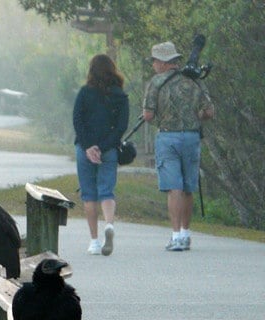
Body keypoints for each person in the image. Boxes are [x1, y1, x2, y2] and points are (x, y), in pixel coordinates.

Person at [143, 41, 215, 251]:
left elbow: (148, 115)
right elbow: (209, 112)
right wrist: (194, 116)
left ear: (164, 62)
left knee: (173, 187)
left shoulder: (156, 83)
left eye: (155, 60)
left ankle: (175, 236)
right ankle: (185, 233)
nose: (154, 65)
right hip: (191, 138)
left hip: (168, 138)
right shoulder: (195, 81)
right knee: (188, 186)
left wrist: (161, 119)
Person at [72, 54, 129, 256]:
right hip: (109, 150)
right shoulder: (120, 96)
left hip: (84, 149)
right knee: (107, 191)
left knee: (89, 194)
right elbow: (121, 126)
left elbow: (77, 121)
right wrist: (104, 147)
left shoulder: (85, 93)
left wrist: (89, 147)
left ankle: (94, 241)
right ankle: (110, 225)